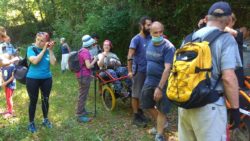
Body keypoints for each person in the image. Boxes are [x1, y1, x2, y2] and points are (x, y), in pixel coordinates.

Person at [178, 2, 241, 141]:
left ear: (207, 18)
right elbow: (228, 78)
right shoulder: (226, 40)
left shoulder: (188, 39)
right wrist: (235, 110)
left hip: (185, 104)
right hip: (210, 108)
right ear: (230, 20)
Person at [140, 21, 175, 141]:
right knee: (146, 103)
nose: (159, 35)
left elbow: (167, 69)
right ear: (150, 33)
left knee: (161, 109)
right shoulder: (149, 43)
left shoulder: (168, 47)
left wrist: (160, 88)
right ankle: (162, 123)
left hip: (163, 82)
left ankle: (159, 135)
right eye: (156, 33)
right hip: (149, 80)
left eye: (161, 32)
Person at [26, 32, 56, 133]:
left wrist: (50, 50)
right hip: (32, 79)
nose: (38, 42)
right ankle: (31, 123)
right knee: (33, 101)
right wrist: (44, 50)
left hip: (46, 78)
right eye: (37, 39)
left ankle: (45, 119)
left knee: (45, 100)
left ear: (46, 42)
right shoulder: (31, 49)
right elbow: (34, 61)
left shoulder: (48, 50)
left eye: (42, 40)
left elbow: (53, 63)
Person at [127, 16, 152, 127]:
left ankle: (141, 112)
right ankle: (136, 116)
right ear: (142, 26)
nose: (150, 27)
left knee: (145, 93)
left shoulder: (150, 38)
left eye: (151, 24)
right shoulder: (136, 39)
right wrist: (129, 71)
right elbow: (130, 56)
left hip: (149, 70)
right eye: (148, 25)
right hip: (138, 71)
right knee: (136, 94)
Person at [75, 35, 98, 123]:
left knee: (83, 93)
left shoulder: (81, 50)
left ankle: (83, 110)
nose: (93, 44)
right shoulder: (85, 52)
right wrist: (95, 59)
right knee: (83, 95)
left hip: (81, 75)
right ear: (90, 44)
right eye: (92, 43)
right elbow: (88, 66)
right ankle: (79, 115)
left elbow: (84, 63)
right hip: (84, 76)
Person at [1, 54, 16, 119]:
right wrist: (3, 82)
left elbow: (13, 77)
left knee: (9, 98)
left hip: (10, 85)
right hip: (5, 84)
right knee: (7, 97)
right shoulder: (3, 67)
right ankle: (8, 109)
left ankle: (10, 112)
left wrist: (6, 83)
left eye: (4, 59)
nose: (2, 61)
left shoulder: (12, 67)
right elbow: (2, 74)